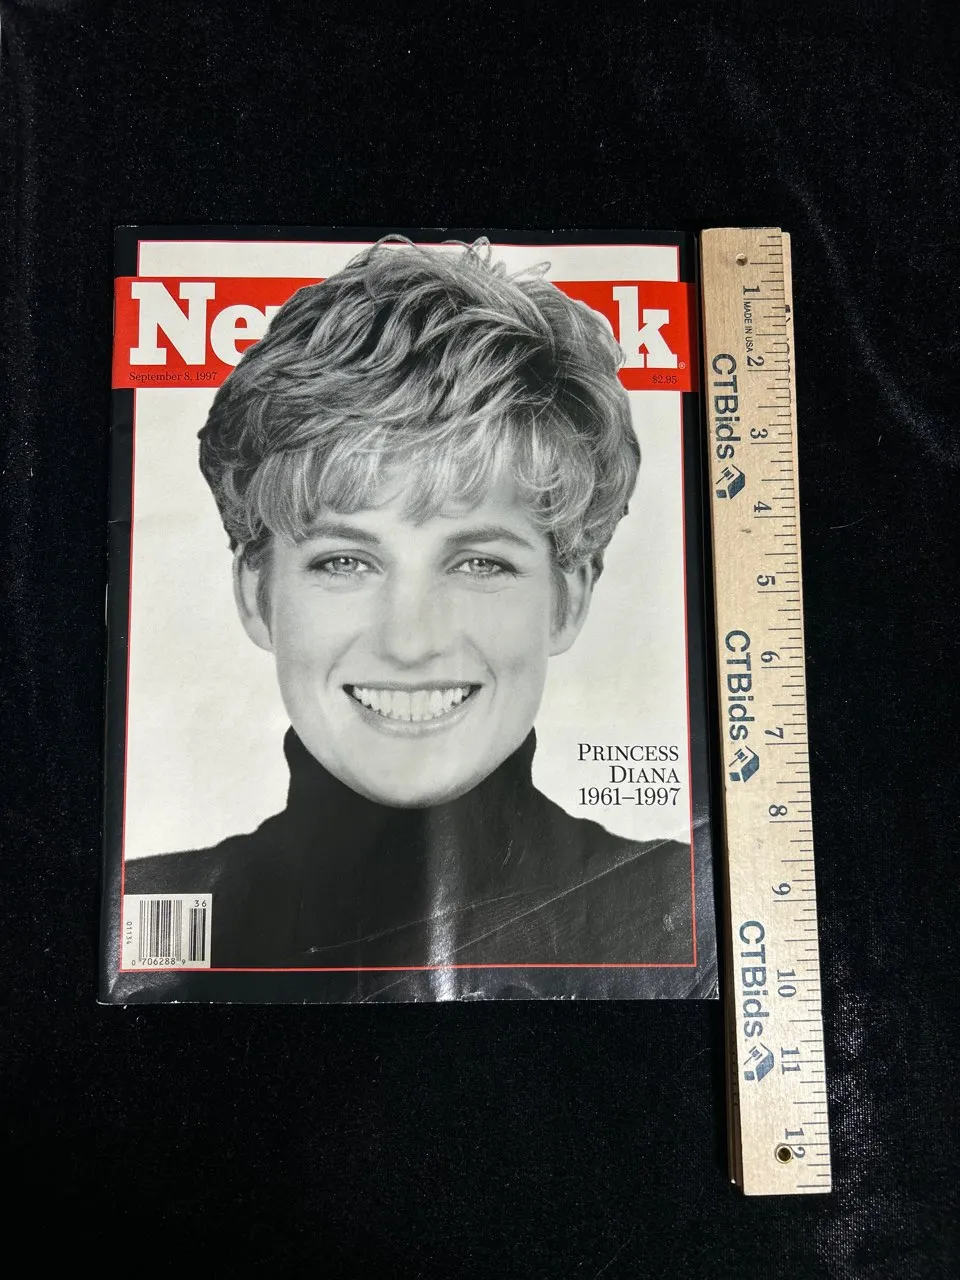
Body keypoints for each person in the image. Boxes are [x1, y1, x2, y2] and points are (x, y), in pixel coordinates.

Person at [127, 238, 711, 994]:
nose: (409, 642)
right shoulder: (141, 925)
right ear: (255, 592)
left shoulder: (684, 920)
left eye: (479, 563)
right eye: (345, 561)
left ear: (570, 599)